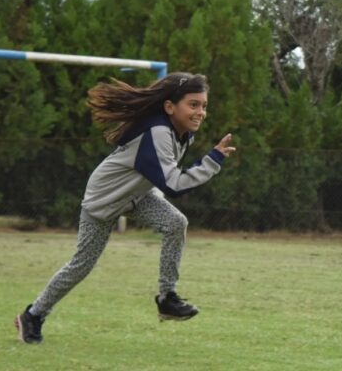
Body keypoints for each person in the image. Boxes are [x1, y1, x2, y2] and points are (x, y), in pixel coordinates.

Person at [15, 72, 235, 344]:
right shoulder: (158, 133)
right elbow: (174, 185)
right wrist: (212, 161)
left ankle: (167, 298)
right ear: (169, 107)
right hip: (104, 200)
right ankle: (33, 315)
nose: (200, 112)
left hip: (138, 196)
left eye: (203, 105)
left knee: (176, 223)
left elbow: (161, 178)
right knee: (80, 266)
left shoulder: (182, 134)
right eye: (193, 104)